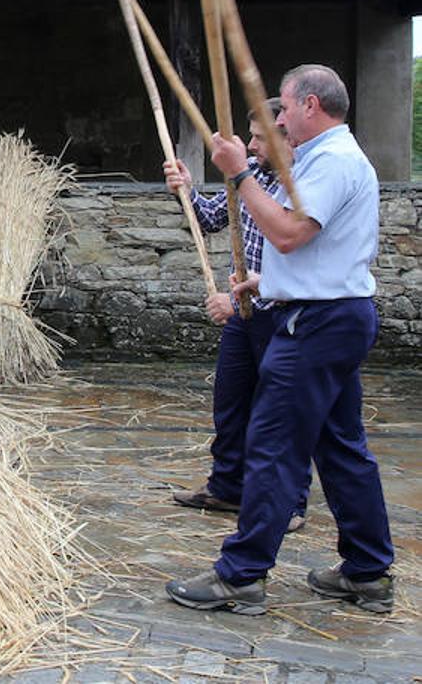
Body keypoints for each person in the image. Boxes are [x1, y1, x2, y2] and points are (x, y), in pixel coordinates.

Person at [167, 65, 394, 616]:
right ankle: (367, 571)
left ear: (311, 106)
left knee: (273, 448)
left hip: (316, 327)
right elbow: (325, 252)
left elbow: (290, 234)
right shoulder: (326, 158)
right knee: (341, 448)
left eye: (286, 109)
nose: (281, 120)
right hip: (331, 313)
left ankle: (241, 576)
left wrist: (240, 173)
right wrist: (266, 281)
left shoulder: (334, 161)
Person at [164, 100, 309, 534]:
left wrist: (247, 298)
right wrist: (186, 190)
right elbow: (212, 218)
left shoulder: (300, 185)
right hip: (243, 314)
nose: (250, 145)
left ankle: (289, 503)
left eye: (260, 138)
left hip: (284, 313)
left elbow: (300, 261)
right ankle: (227, 487)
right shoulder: (246, 172)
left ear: (289, 138)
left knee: (282, 412)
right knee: (230, 403)